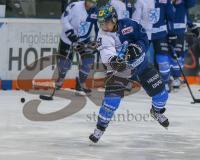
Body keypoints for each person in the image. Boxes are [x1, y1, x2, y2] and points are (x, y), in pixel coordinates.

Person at [89, 5, 169, 143]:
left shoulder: (130, 24)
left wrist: (137, 48)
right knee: (111, 102)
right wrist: (115, 62)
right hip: (120, 71)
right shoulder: (103, 36)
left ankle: (156, 111)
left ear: (114, 18)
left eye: (106, 22)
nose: (103, 26)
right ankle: (100, 128)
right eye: (100, 23)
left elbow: (143, 38)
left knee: (162, 94)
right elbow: (107, 54)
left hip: (141, 65)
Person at [132, 0, 176, 92]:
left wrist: (172, 33)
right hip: (145, 35)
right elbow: (135, 19)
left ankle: (165, 81)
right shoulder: (141, 1)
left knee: (162, 59)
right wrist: (133, 34)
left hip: (161, 34)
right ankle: (146, 82)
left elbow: (170, 17)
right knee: (142, 59)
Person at [56, 0, 99, 95]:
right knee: (64, 64)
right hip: (68, 38)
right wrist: (70, 32)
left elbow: (98, 27)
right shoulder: (74, 6)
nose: (91, 4)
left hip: (84, 40)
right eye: (90, 2)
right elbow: (64, 19)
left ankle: (81, 83)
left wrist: (97, 40)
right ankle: (61, 77)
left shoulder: (96, 11)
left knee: (89, 59)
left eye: (93, 2)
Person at [169, 0, 199, 90]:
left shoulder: (183, 3)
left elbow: (190, 6)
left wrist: (191, 25)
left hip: (179, 31)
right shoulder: (167, 3)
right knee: (174, 56)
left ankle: (175, 78)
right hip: (172, 31)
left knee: (179, 55)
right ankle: (173, 78)